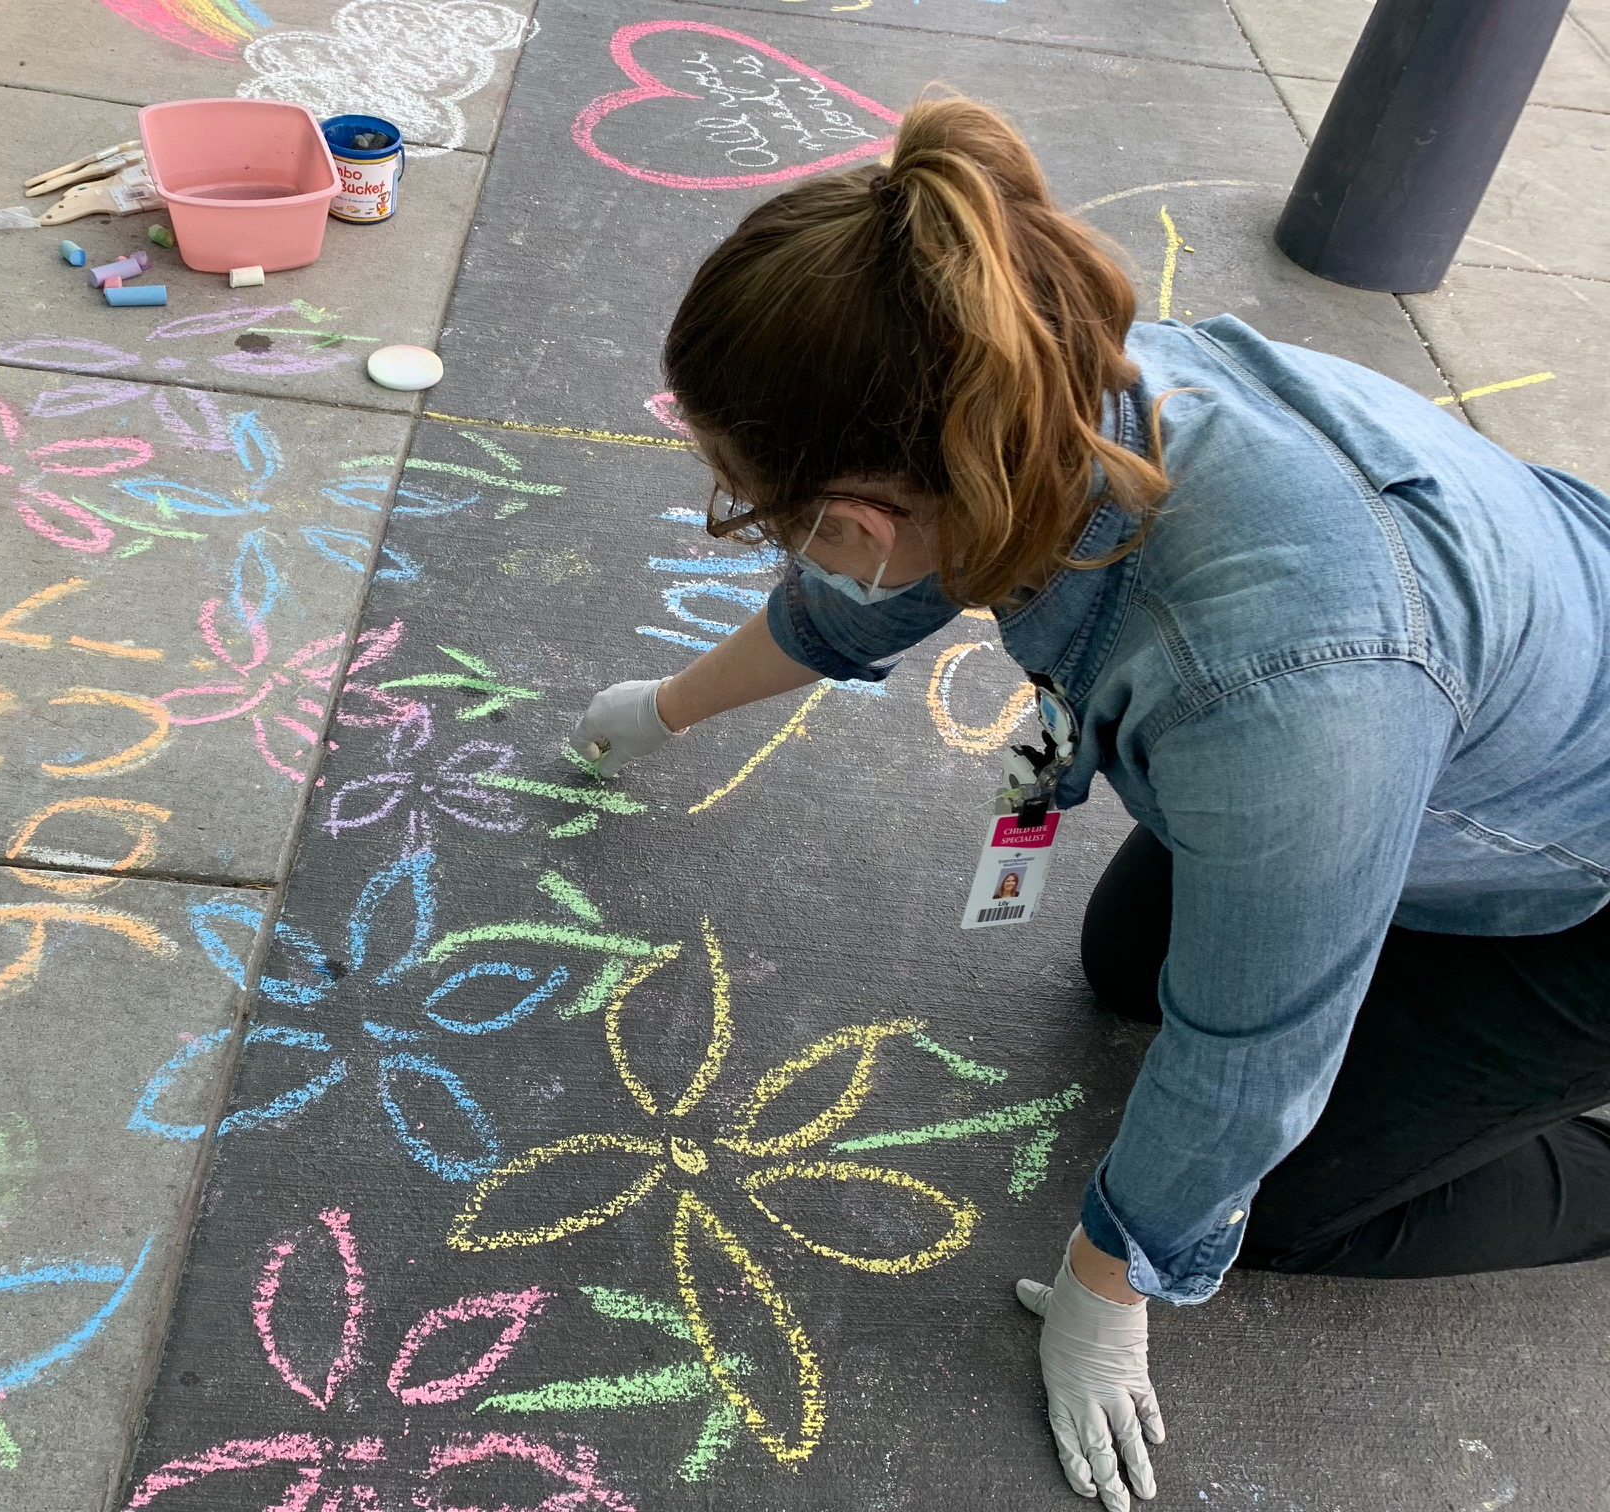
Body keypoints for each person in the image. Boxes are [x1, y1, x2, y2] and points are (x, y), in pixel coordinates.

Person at [570, 91, 1610, 1511]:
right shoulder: (1022, 395)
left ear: (858, 515)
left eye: (754, 502)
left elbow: (1251, 1054)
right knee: (1129, 968)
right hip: (1461, 717)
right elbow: (860, 601)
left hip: (1567, 863)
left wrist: (1111, 1281)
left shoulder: (1283, 701)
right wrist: (667, 708)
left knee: (1279, 1201)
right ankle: (1387, 949)